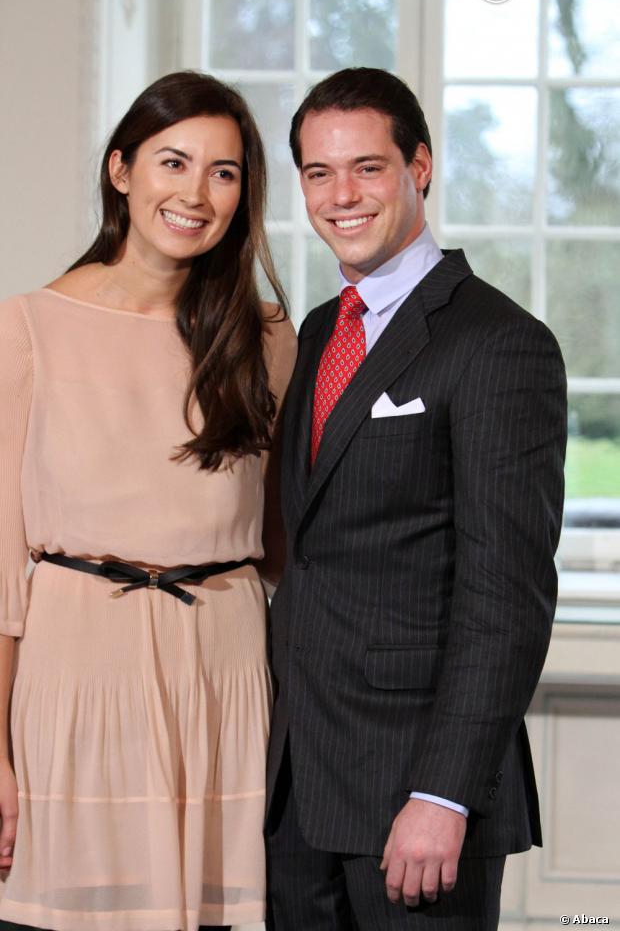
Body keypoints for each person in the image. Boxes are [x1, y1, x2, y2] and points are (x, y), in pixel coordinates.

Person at [265, 67, 567, 930]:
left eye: (368, 167)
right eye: (319, 174)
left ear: (420, 168)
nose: (342, 195)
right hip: (298, 790)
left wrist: (442, 793)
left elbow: (505, 597)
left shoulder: (500, 344)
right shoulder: (321, 330)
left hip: (417, 796)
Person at [0, 70, 296, 931]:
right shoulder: (27, 330)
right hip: (79, 674)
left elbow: (287, 540)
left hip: (226, 678)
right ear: (121, 170)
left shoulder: (269, 338)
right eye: (174, 162)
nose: (196, 193)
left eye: (225, 172)